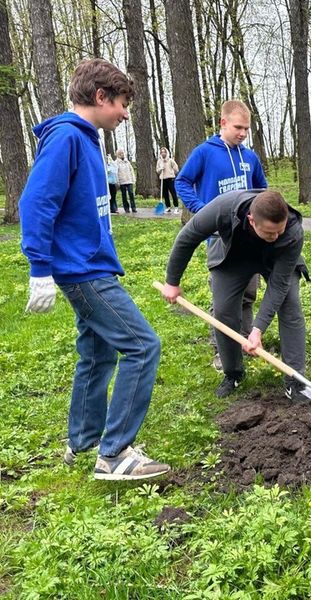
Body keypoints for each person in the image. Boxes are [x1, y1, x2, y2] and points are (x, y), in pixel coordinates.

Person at [19, 58, 169, 480]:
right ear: (100, 97)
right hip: (83, 272)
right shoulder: (67, 137)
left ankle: (83, 441)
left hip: (92, 265)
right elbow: (35, 203)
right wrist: (39, 269)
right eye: (122, 103)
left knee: (97, 352)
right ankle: (115, 453)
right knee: (143, 345)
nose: (124, 113)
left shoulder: (87, 139)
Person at [160, 189, 309, 399]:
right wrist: (172, 282)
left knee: (290, 305)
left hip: (277, 261)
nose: (275, 236)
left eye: (279, 231)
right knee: (223, 311)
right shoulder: (224, 207)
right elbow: (188, 237)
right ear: (251, 220)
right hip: (234, 258)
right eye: (269, 232)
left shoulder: (292, 231)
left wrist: (257, 330)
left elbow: (279, 285)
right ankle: (233, 373)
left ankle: (296, 382)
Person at [175, 100, 268, 371]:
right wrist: (203, 212)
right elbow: (182, 181)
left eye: (247, 129)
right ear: (223, 123)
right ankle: (221, 350)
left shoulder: (249, 157)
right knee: (225, 298)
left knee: (248, 293)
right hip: (219, 239)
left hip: (249, 238)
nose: (242, 133)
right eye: (238, 127)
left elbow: (261, 189)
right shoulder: (205, 152)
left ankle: (245, 341)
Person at [156, 147, 180, 214]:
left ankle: (176, 207)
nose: (163, 153)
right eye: (161, 152)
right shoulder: (159, 161)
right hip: (163, 179)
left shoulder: (170, 160)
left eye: (164, 152)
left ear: (166, 153)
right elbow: (157, 171)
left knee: (173, 193)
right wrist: (161, 169)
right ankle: (168, 207)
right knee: (165, 194)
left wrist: (172, 173)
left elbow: (176, 168)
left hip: (170, 178)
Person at [115, 148, 136, 213]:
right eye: (120, 153)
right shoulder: (116, 163)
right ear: (117, 155)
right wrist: (117, 181)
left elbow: (131, 170)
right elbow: (116, 172)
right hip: (122, 181)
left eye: (122, 153)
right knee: (124, 195)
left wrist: (133, 179)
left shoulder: (127, 162)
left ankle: (133, 208)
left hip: (129, 180)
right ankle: (126, 208)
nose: (122, 154)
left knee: (131, 194)